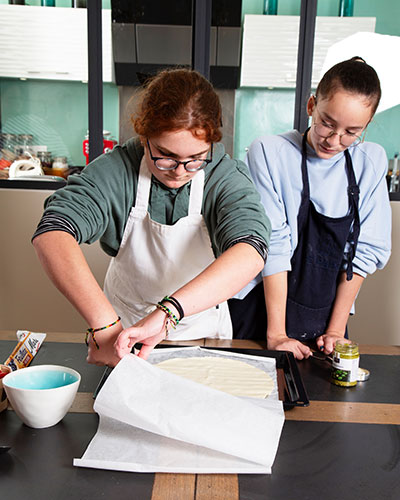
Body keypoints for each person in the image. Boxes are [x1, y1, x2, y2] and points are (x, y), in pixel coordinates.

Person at [32, 68, 271, 366]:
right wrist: (105, 326)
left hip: (202, 335)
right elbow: (53, 233)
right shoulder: (116, 170)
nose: (180, 171)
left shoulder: (224, 175)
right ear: (143, 135)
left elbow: (251, 250)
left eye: (196, 159)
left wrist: (168, 313)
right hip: (124, 336)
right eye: (166, 155)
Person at [228, 57, 391, 360]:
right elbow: (272, 244)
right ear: (311, 105)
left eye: (351, 131)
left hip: (328, 317)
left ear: (366, 126)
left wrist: (336, 331)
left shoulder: (370, 162)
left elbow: (364, 252)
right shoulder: (270, 152)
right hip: (261, 312)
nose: (334, 140)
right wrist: (277, 334)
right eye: (327, 123)